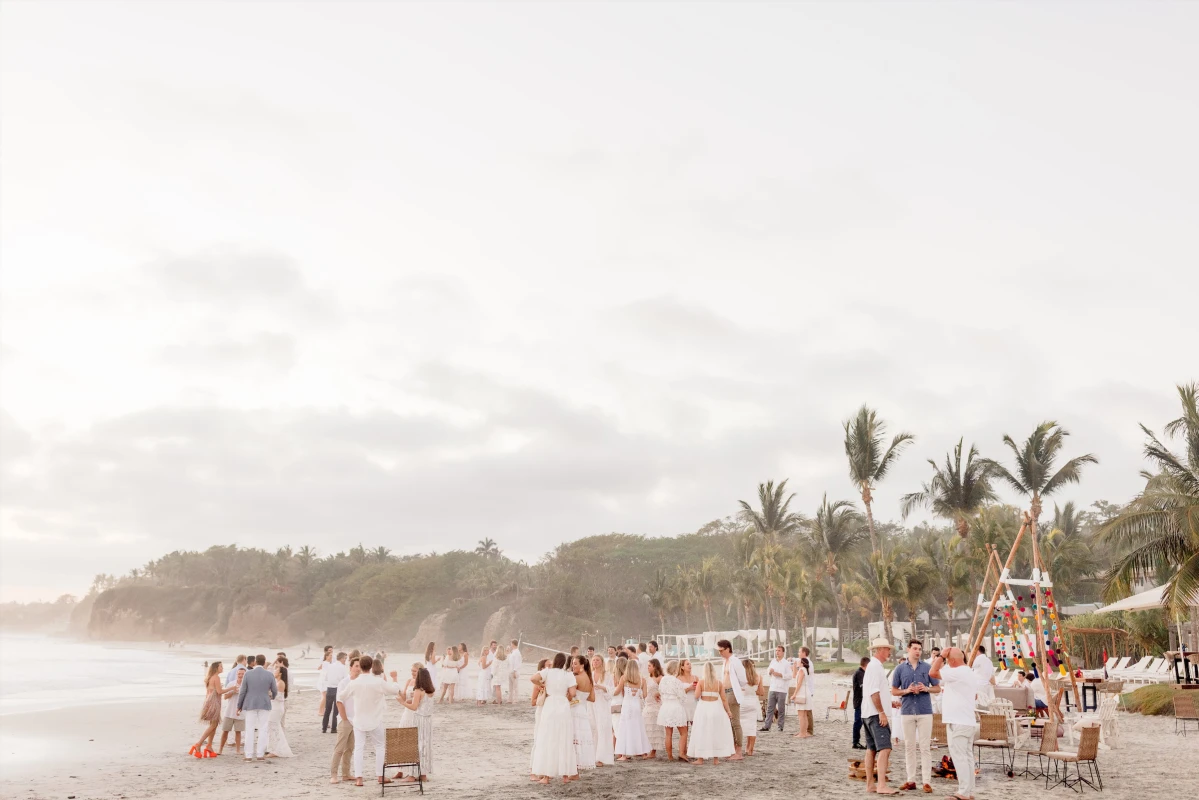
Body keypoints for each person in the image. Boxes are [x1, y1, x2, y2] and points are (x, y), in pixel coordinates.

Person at [930, 647, 988, 800]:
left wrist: (941, 656)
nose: (946, 662)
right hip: (967, 720)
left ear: (952, 660)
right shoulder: (969, 672)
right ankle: (969, 791)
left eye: (948, 660)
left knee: (959, 757)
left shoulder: (957, 672)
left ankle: (963, 791)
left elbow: (933, 673)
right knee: (967, 757)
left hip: (958, 721)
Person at [338, 654, 403, 787]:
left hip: (359, 720)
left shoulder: (354, 683)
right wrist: (395, 679)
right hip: (375, 719)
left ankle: (359, 778)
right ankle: (380, 776)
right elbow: (394, 690)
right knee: (379, 747)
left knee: (359, 748)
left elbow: (341, 696)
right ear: (371, 666)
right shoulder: (378, 682)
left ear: (361, 667)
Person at [891, 640, 939, 793]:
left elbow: (937, 688)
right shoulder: (899, 669)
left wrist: (926, 688)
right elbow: (893, 690)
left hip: (925, 711)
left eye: (919, 649)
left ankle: (926, 782)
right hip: (907, 711)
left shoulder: (927, 667)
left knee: (925, 747)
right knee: (909, 747)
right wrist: (906, 691)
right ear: (908, 649)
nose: (917, 651)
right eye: (915, 648)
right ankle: (911, 780)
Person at [530, 653, 579, 784]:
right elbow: (573, 693)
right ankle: (565, 776)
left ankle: (546, 776)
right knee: (564, 737)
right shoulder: (568, 675)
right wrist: (567, 693)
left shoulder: (547, 672)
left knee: (548, 738)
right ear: (564, 663)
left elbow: (533, 678)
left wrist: (542, 685)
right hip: (563, 704)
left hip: (550, 704)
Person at [860, 638, 898, 795]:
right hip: (875, 714)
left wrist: (890, 704)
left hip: (867, 712)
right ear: (881, 649)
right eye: (888, 649)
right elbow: (874, 692)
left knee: (871, 749)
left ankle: (870, 785)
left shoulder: (872, 666)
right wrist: (882, 712)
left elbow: (876, 692)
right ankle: (881, 785)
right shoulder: (876, 667)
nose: (889, 652)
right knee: (885, 748)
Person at [686, 662, 735, 764]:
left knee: (702, 732)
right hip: (716, 709)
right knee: (715, 732)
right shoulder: (719, 683)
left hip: (704, 708)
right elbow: (724, 699)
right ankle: (715, 759)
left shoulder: (701, 682)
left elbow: (696, 696)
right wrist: (728, 711)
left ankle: (700, 759)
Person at [395, 666, 435, 784]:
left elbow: (414, 707)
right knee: (425, 746)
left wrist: (402, 703)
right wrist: (410, 701)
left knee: (415, 745)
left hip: (418, 720)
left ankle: (412, 775)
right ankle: (423, 774)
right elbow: (421, 703)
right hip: (427, 721)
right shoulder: (431, 690)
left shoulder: (418, 690)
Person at [236, 654, 277, 762]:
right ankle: (260, 754)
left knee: (249, 729)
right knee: (263, 729)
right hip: (264, 703)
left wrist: (239, 705)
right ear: (264, 662)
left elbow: (242, 691)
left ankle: (248, 755)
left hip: (250, 704)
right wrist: (271, 697)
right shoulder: (269, 674)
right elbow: (275, 690)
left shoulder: (248, 674)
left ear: (255, 662)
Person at [191, 661, 237, 758]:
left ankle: (209, 746)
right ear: (216, 668)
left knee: (214, 725)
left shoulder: (210, 677)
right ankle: (198, 744)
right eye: (221, 666)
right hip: (214, 702)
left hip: (209, 701)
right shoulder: (216, 677)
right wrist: (231, 688)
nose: (222, 668)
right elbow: (220, 691)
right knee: (213, 725)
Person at [330, 656, 361, 784]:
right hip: (345, 720)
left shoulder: (361, 683)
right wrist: (345, 718)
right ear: (351, 667)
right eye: (356, 666)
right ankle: (333, 775)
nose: (358, 669)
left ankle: (346, 773)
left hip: (357, 720)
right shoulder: (344, 682)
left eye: (360, 666)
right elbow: (339, 702)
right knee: (339, 749)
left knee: (350, 748)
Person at [614, 659, 650, 760]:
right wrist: (636, 693)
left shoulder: (624, 678)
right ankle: (643, 753)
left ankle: (624, 754)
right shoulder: (642, 680)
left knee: (625, 728)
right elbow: (645, 695)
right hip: (636, 706)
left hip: (627, 706)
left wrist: (607, 691)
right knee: (638, 727)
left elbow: (617, 691)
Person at [717, 639, 747, 760]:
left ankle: (739, 751)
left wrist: (737, 689)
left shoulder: (735, 661)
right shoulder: (725, 662)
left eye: (721, 650)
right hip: (725, 692)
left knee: (735, 722)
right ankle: (734, 748)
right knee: (729, 722)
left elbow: (743, 679)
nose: (720, 653)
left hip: (733, 693)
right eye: (719, 651)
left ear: (728, 648)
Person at [657, 660, 689, 761]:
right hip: (675, 706)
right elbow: (682, 696)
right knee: (683, 732)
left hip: (665, 707)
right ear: (676, 669)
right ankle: (681, 753)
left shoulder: (662, 680)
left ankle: (670, 756)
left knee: (668, 733)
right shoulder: (677, 681)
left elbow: (660, 692)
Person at [570, 655, 596, 771]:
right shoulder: (590, 679)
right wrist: (582, 698)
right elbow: (592, 698)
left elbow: (570, 695)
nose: (572, 665)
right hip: (583, 710)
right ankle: (580, 762)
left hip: (574, 709)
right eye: (572, 663)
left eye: (575, 663)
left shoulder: (576, 678)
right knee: (581, 737)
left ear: (582, 665)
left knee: (573, 736)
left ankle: (573, 763)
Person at [218, 655, 248, 755]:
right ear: (236, 674)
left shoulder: (247, 685)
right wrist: (232, 691)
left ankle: (238, 750)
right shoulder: (231, 684)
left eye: (242, 674)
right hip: (229, 711)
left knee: (238, 732)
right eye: (239, 674)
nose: (240, 676)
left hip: (240, 712)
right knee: (225, 731)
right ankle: (220, 750)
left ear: (245, 675)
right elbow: (225, 697)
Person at [265, 661, 293, 758]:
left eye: (277, 669)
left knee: (273, 726)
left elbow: (278, 697)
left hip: (276, 707)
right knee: (272, 727)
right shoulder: (277, 682)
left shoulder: (280, 683)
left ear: (280, 673)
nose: (275, 670)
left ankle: (275, 750)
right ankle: (273, 748)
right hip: (275, 706)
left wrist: (268, 695)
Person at [761, 645, 792, 733]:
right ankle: (767, 726)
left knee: (781, 709)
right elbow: (768, 671)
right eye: (776, 650)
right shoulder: (773, 661)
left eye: (779, 650)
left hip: (782, 689)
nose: (777, 652)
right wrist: (769, 672)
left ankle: (780, 726)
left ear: (783, 652)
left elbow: (790, 676)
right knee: (770, 708)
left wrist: (780, 675)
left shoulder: (786, 663)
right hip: (773, 687)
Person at [591, 655, 614, 766]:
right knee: (593, 728)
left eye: (597, 660)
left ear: (601, 662)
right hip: (591, 704)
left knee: (603, 729)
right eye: (594, 660)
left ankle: (601, 757)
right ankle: (592, 755)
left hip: (602, 704)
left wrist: (601, 687)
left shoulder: (607, 675)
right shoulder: (589, 674)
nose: (595, 662)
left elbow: (611, 691)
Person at [320, 652, 349, 735]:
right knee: (336, 710)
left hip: (329, 689)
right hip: (337, 689)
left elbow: (326, 678)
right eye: (345, 659)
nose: (345, 661)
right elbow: (345, 680)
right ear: (341, 658)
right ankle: (333, 728)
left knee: (327, 710)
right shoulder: (343, 667)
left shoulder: (329, 666)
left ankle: (324, 728)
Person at [741, 659, 764, 755]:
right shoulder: (758, 677)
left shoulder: (741, 678)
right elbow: (761, 692)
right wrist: (753, 691)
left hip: (742, 702)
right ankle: (750, 749)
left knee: (739, 726)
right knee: (752, 726)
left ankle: (737, 748)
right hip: (753, 702)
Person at [642, 659, 664, 758]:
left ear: (655, 666)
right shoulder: (646, 678)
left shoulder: (660, 678)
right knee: (646, 727)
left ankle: (653, 751)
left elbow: (664, 690)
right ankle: (646, 749)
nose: (648, 668)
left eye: (649, 666)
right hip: (647, 704)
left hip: (656, 705)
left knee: (654, 727)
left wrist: (658, 694)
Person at [789, 656, 813, 738]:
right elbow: (794, 676)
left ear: (802, 663)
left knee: (801, 715)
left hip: (802, 693)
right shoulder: (803, 670)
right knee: (804, 714)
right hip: (805, 693)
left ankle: (802, 733)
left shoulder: (802, 670)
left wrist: (794, 694)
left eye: (799, 661)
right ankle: (803, 732)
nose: (797, 662)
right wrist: (795, 666)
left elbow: (799, 684)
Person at [852, 656, 869, 749]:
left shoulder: (862, 673)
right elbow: (863, 687)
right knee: (858, 722)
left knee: (864, 722)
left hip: (862, 701)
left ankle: (863, 741)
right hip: (860, 701)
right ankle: (855, 741)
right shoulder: (860, 673)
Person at [799, 646, 816, 736]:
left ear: (804, 653)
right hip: (806, 689)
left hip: (808, 689)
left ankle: (809, 730)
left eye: (799, 652)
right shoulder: (804, 662)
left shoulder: (808, 663)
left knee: (808, 711)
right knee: (805, 711)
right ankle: (804, 730)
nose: (798, 654)